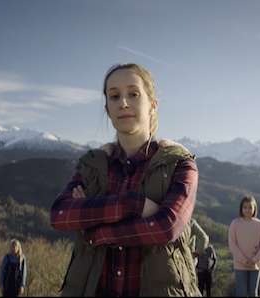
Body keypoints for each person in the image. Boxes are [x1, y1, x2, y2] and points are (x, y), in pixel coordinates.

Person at [50, 63, 200, 297]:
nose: (123, 103)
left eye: (133, 94)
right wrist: (133, 204)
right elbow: (59, 214)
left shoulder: (180, 164)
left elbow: (167, 226)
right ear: (108, 109)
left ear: (153, 105)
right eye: (114, 96)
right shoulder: (92, 166)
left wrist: (97, 230)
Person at [228, 196, 260, 297]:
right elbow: (232, 244)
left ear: (254, 209)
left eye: (250, 207)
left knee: (252, 293)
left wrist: (254, 260)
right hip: (240, 264)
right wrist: (243, 260)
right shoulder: (235, 224)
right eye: (245, 207)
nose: (247, 210)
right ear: (241, 208)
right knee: (241, 292)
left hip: (256, 265)